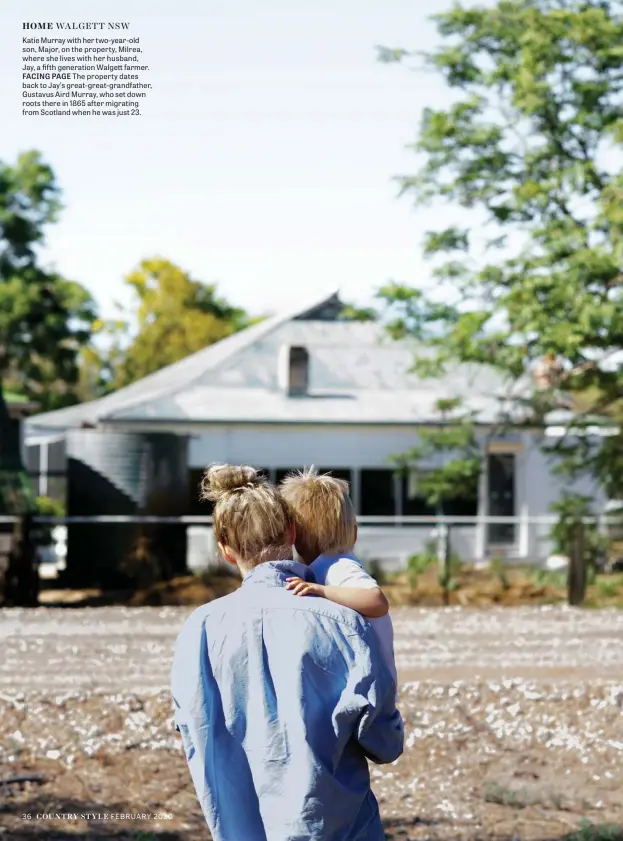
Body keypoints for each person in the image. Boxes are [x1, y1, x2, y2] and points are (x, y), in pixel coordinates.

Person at [171, 464, 403, 841]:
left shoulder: (199, 629)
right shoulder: (342, 620)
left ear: (225, 551)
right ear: (291, 532)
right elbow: (384, 742)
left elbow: (192, 729)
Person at [280, 467, 398, 690]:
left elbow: (377, 601)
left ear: (293, 536)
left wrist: (320, 590)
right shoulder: (324, 566)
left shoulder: (339, 566)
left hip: (375, 695)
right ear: (354, 533)